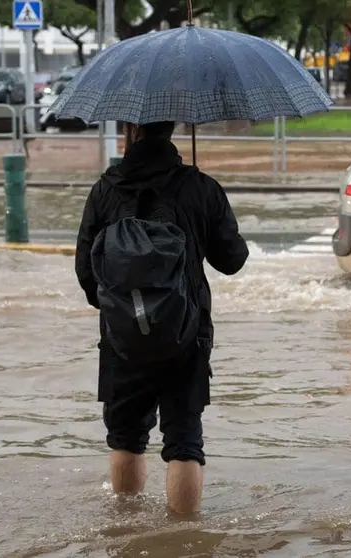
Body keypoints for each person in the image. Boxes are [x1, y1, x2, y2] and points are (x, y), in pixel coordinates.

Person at [75, 121, 249, 515]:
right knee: (184, 441)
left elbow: (86, 272)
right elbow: (232, 261)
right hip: (187, 334)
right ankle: (184, 539)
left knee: (125, 438)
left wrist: (123, 314)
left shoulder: (105, 189)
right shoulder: (200, 187)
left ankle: (126, 529)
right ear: (174, 127)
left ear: (129, 128)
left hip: (121, 338)